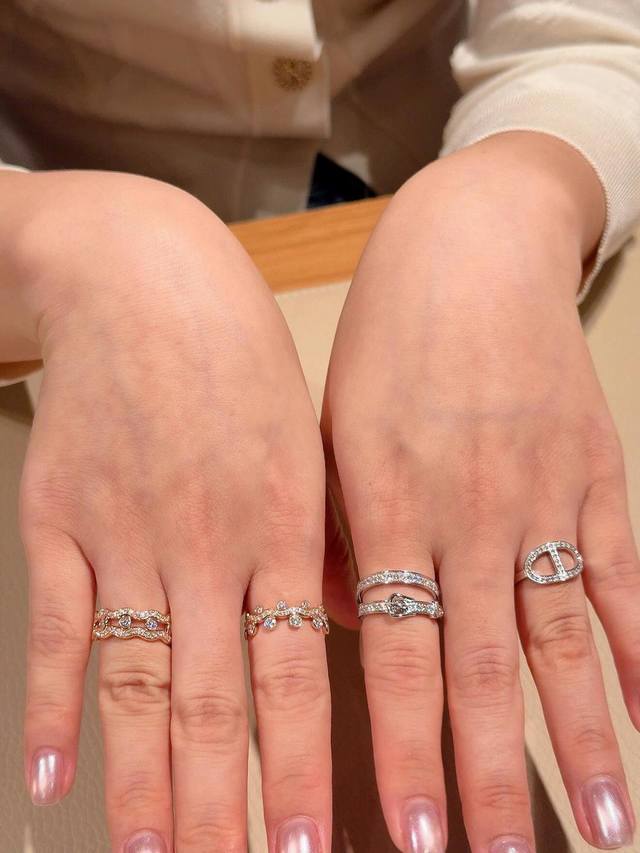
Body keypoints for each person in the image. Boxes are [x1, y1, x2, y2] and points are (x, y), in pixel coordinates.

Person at [1, 2, 640, 851]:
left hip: (453, 177)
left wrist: (522, 192)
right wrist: (52, 244)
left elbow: (592, 29)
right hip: (63, 248)